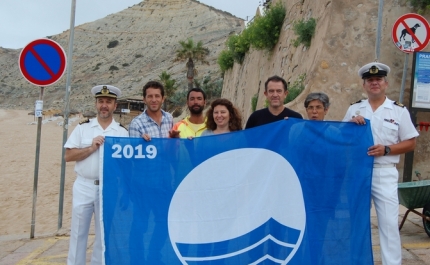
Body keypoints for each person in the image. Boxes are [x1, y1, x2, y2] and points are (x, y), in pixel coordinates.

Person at [343, 62, 419, 265]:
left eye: (378, 80)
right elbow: (343, 140)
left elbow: (411, 142)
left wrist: (387, 149)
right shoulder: (354, 109)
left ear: (386, 83)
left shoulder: (398, 111)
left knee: (388, 224)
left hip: (384, 172)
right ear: (364, 85)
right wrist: (350, 127)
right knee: (356, 222)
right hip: (358, 173)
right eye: (370, 80)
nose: (374, 83)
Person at [64, 85, 128, 265]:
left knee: (103, 235)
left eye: (108, 102)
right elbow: (68, 156)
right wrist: (91, 148)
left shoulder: (122, 132)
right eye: (101, 101)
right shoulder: (83, 128)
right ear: (96, 104)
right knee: (78, 233)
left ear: (115, 105)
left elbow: (126, 165)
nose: (104, 105)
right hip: (84, 185)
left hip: (109, 188)